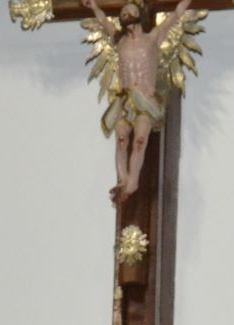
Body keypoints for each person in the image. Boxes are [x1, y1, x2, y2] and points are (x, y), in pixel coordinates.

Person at [83, 0, 196, 202]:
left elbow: (176, 15)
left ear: (140, 16)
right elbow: (103, 21)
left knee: (139, 140)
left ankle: (133, 181)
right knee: (121, 139)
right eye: (123, 13)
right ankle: (122, 180)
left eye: (131, 11)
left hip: (145, 100)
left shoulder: (153, 38)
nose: (126, 15)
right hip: (125, 99)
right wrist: (94, 6)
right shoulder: (119, 40)